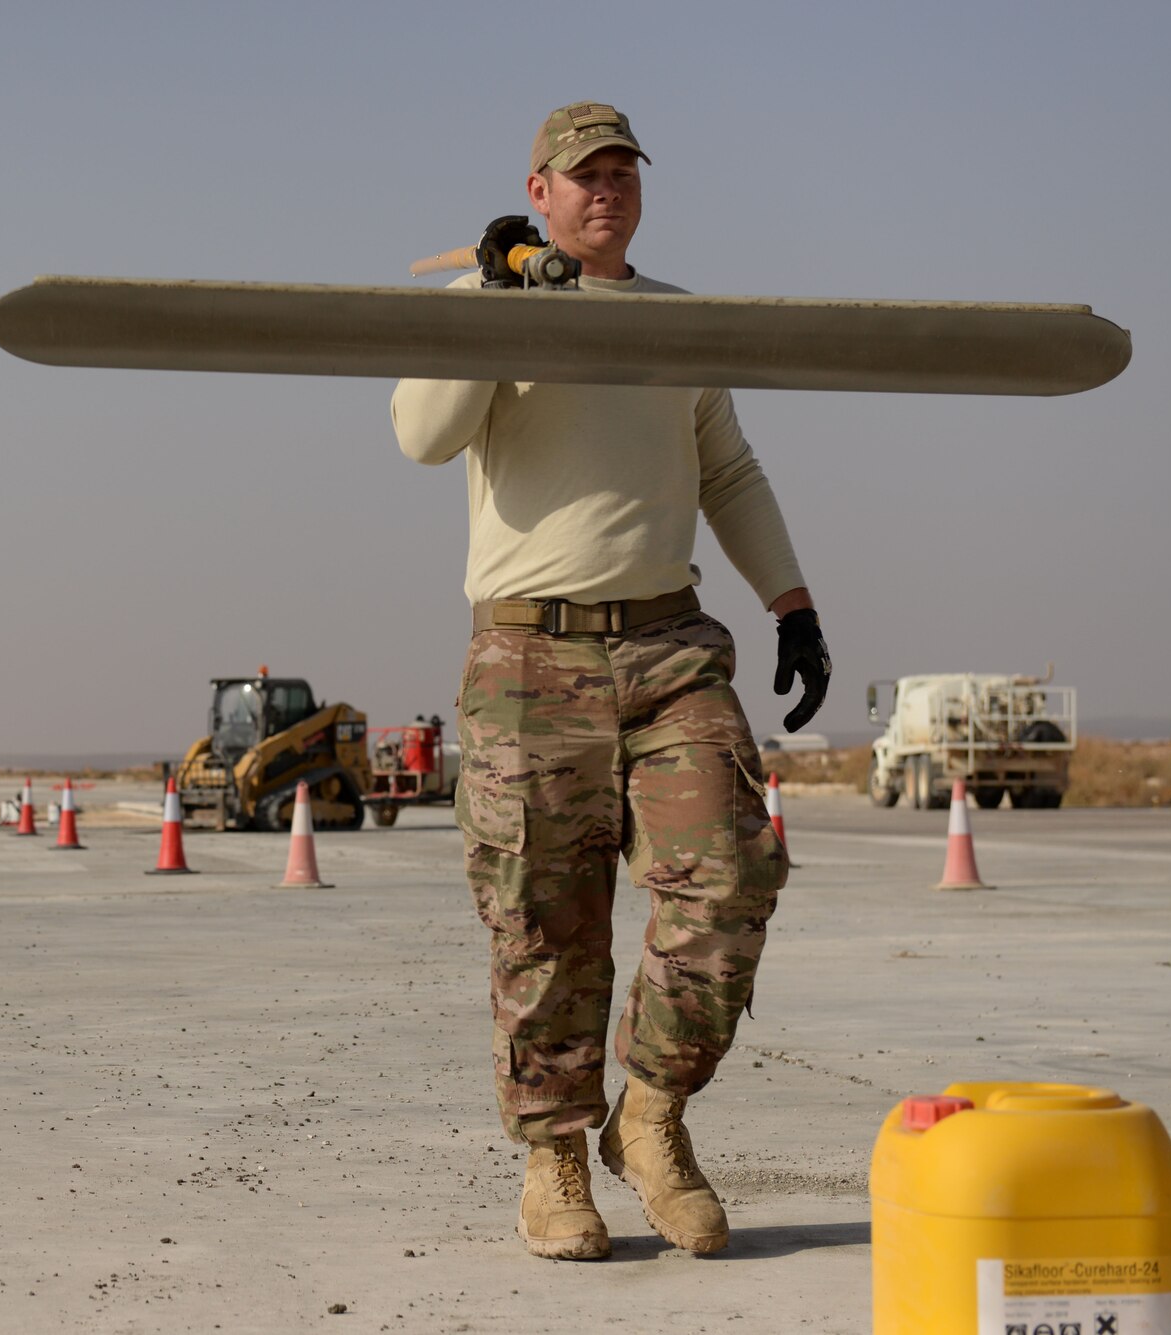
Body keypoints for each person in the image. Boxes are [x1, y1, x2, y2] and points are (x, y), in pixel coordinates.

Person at [390, 101, 830, 1261]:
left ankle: (652, 1116)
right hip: (528, 656)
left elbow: (726, 468)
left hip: (669, 645)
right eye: (583, 174)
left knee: (728, 876)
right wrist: (490, 302)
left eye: (623, 171)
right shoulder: (481, 305)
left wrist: (790, 604)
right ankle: (553, 1160)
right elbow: (420, 437)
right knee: (543, 919)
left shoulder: (682, 325)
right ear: (536, 192)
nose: (607, 189)